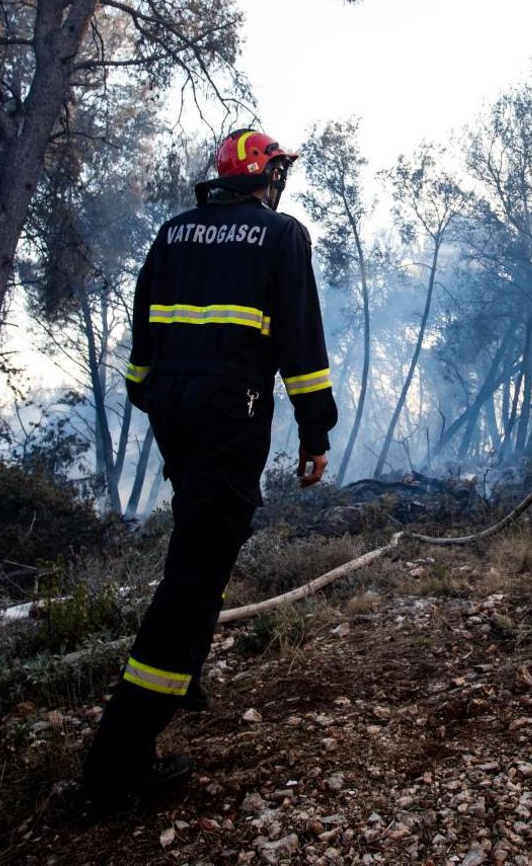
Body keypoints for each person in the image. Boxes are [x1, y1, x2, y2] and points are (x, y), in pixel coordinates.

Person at [81, 128, 338, 799]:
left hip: (173, 408)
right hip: (232, 409)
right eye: (278, 172)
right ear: (265, 176)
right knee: (196, 574)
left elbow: (142, 339)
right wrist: (317, 432)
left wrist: (153, 393)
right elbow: (301, 346)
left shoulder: (172, 233)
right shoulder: (281, 235)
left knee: (205, 537)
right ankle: (119, 760)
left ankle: (184, 669)